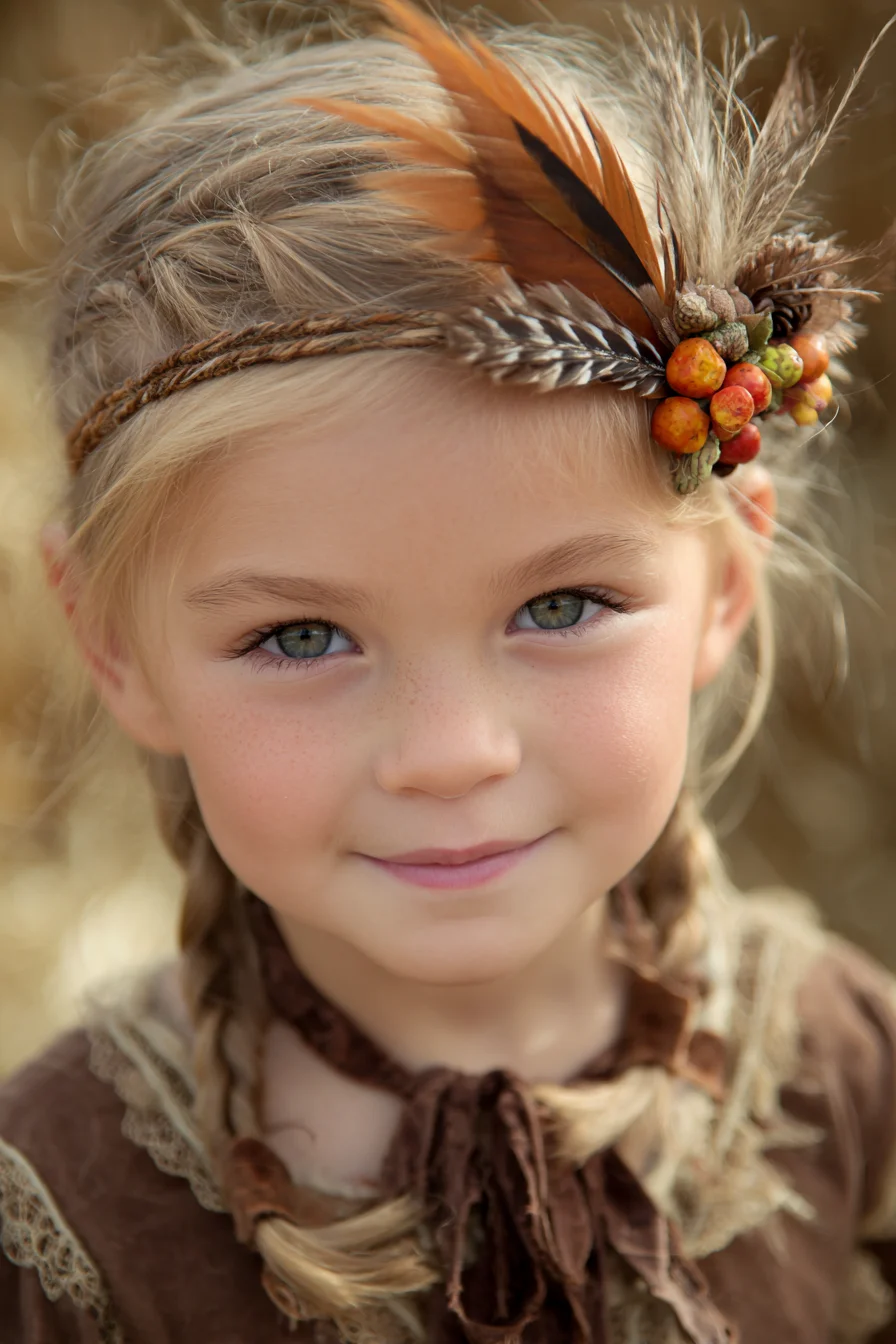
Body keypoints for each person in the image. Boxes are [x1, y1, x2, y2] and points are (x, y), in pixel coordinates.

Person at [1, 0, 895, 1338]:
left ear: (725, 580)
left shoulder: (849, 1073)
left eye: (563, 605)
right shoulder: (63, 1204)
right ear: (114, 645)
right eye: (300, 637)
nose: (450, 750)